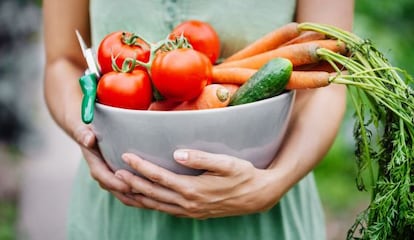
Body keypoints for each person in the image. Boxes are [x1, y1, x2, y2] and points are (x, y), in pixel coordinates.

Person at [43, 0, 354, 239]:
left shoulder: (269, 187)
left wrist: (274, 182)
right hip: (121, 199)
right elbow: (61, 62)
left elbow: (327, 82)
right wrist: (85, 133)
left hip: (261, 205)